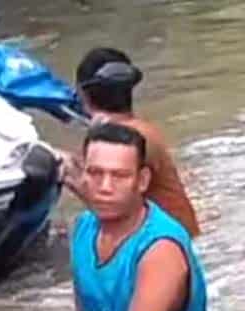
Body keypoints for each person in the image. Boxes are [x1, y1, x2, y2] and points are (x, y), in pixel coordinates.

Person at [70, 123, 207, 311]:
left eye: (119, 176)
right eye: (95, 173)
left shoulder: (161, 250)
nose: (105, 187)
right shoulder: (83, 227)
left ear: (142, 180)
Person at [61, 47, 201, 237]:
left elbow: (109, 203)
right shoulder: (141, 131)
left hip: (165, 243)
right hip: (180, 236)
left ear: (83, 94)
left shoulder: (123, 140)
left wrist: (63, 174)